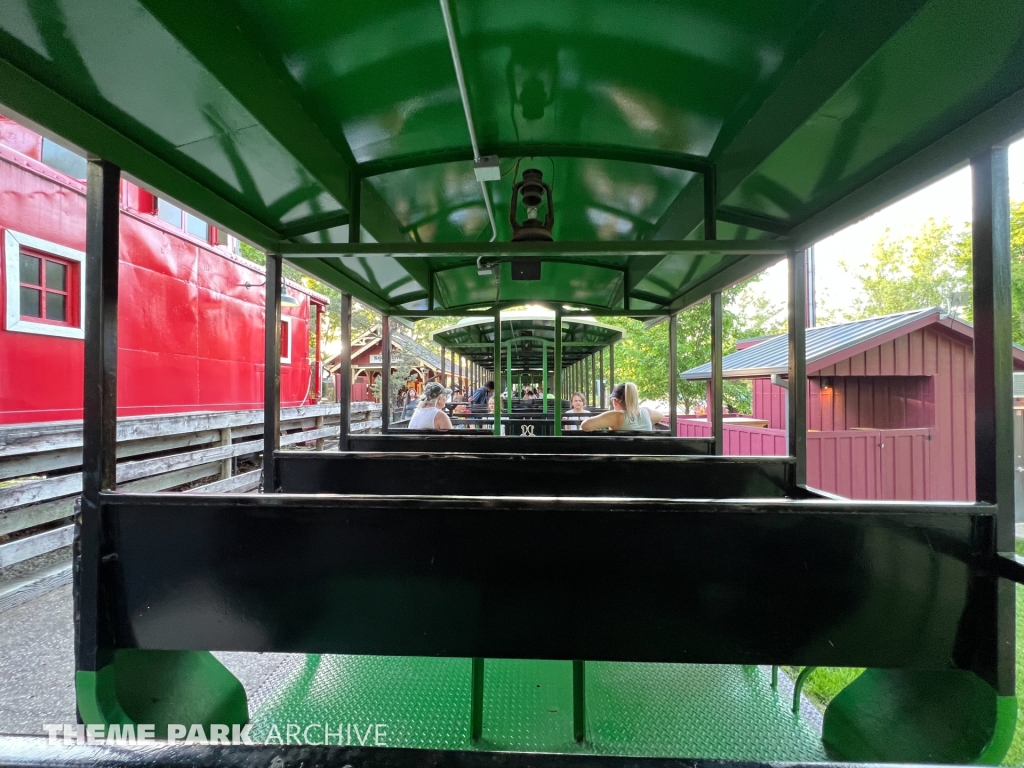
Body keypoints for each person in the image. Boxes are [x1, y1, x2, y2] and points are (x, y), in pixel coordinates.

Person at [581, 382, 664, 432]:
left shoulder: (616, 416)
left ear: (615, 401)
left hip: (622, 459)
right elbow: (661, 416)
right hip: (646, 458)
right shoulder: (646, 412)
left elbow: (585, 425)